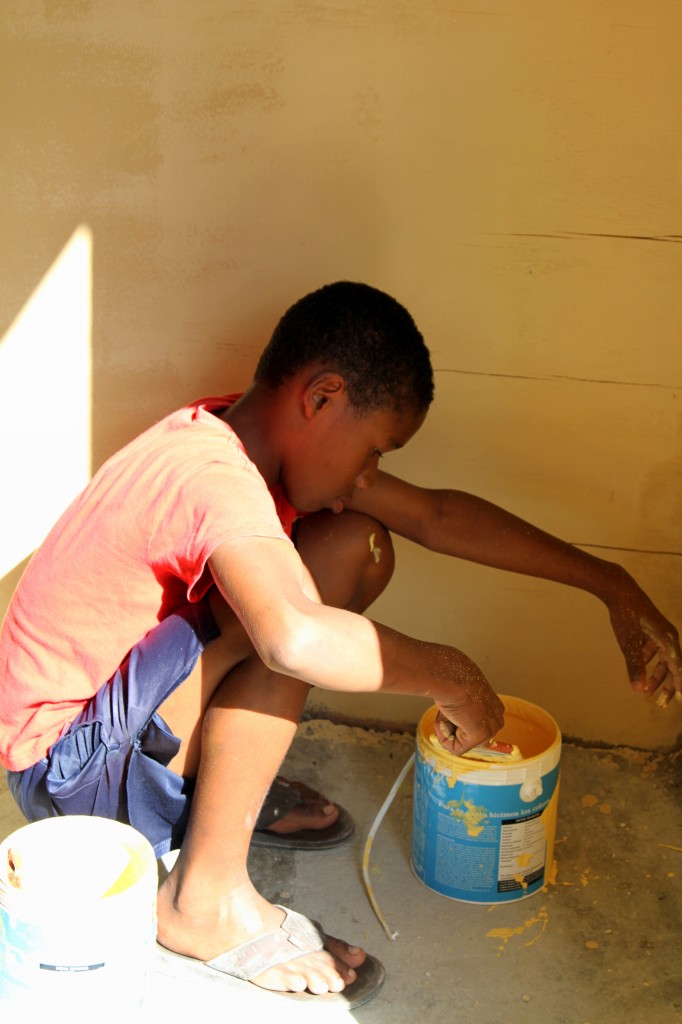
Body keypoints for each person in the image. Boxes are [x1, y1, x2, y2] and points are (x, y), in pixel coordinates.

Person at [1, 281, 680, 1005]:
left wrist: (609, 581)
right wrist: (454, 676)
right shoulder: (214, 475)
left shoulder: (252, 436)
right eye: (374, 450)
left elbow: (437, 516)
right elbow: (292, 637)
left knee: (354, 544)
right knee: (300, 606)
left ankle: (219, 796)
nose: (367, 476)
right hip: (72, 776)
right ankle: (203, 899)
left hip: (118, 725)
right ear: (321, 398)